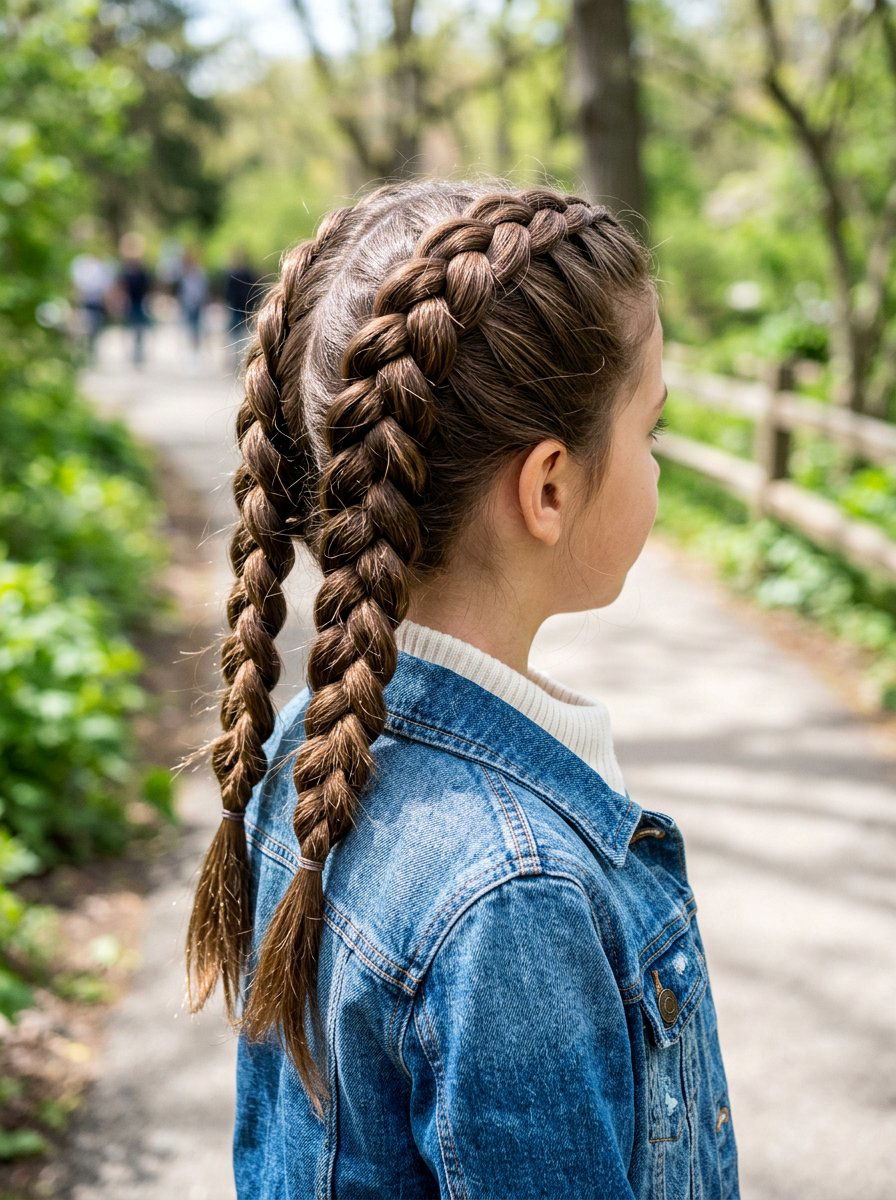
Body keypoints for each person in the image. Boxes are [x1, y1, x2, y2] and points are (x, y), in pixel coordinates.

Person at [183, 177, 740, 1199]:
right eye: (648, 432)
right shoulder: (515, 896)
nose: (656, 463)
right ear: (547, 488)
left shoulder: (311, 749)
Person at [117, 232, 153, 367]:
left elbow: (147, 286)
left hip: (140, 302)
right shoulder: (125, 270)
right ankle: (132, 353)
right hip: (129, 302)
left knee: (139, 329)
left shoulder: (142, 270)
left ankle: (138, 353)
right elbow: (121, 286)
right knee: (130, 328)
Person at [177, 247, 209, 358]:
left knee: (197, 327)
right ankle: (189, 351)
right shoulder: (184, 274)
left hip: (197, 303)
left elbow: (202, 289)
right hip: (187, 303)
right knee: (188, 327)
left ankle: (196, 351)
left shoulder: (200, 273)